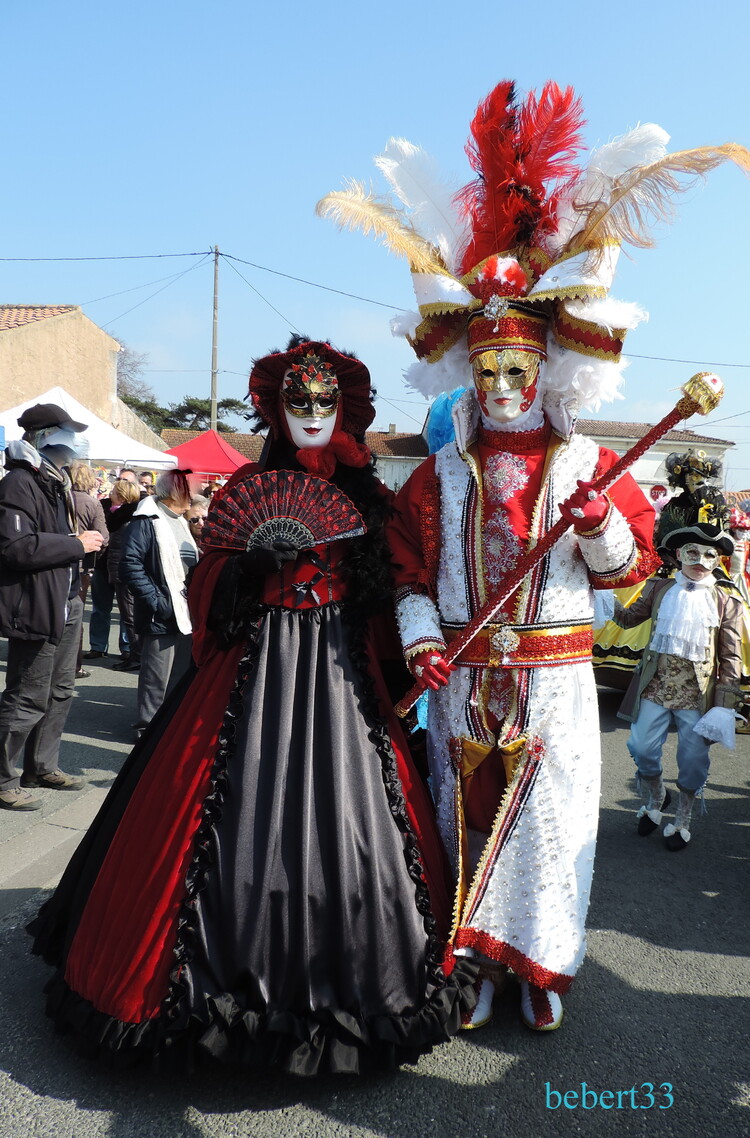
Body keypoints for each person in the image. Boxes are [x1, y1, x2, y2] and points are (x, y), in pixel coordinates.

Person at [315, 78, 750, 1029]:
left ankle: (542, 968)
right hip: (466, 671)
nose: (505, 384)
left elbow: (626, 572)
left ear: (546, 367)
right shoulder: (440, 472)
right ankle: (468, 961)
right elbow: (406, 569)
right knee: (459, 812)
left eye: (520, 369)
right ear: (466, 372)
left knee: (550, 830)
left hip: (554, 676)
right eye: (488, 370)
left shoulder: (594, 460)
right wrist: (426, 640)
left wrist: (596, 521)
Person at [28, 336, 475, 1072]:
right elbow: (207, 590)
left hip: (343, 674)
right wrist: (246, 572)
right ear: (275, 408)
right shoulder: (243, 492)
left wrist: (389, 612)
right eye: (297, 401)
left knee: (358, 820)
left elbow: (398, 584)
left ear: (344, 409)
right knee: (208, 815)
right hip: (250, 672)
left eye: (324, 401)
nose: (310, 412)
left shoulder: (372, 498)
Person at [0, 403, 104, 810]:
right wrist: (75, 544)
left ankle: (41, 766)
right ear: (44, 435)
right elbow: (15, 547)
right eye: (68, 431)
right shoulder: (19, 483)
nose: (76, 441)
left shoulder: (52, 481)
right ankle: (4, 779)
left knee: (60, 691)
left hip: (65, 600)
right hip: (38, 605)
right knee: (26, 695)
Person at [614, 524, 743, 849]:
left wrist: (724, 708)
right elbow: (628, 620)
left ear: (717, 561)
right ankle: (657, 795)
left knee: (693, 759)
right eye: (693, 553)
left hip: (697, 697)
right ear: (677, 556)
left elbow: (731, 658)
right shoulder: (659, 589)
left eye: (709, 555)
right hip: (656, 688)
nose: (700, 561)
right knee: (641, 747)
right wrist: (600, 592)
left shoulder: (726, 602)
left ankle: (683, 815)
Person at [119, 469, 197, 737]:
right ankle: (147, 732)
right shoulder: (146, 521)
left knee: (177, 677)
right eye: (189, 486)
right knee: (156, 680)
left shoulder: (180, 520)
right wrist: (157, 601)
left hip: (184, 612)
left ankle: (167, 732)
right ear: (176, 491)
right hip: (162, 613)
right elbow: (129, 564)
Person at [70, 461, 109, 679]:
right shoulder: (92, 504)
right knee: (75, 615)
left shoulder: (56, 498)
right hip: (81, 565)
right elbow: (103, 538)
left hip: (53, 562)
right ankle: (74, 665)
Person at [104, 479, 142, 673]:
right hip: (123, 570)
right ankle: (136, 655)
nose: (110, 494)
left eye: (114, 491)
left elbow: (124, 550)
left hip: (123, 572)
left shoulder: (123, 518)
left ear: (122, 495)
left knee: (129, 615)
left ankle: (137, 656)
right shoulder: (128, 516)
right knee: (129, 615)